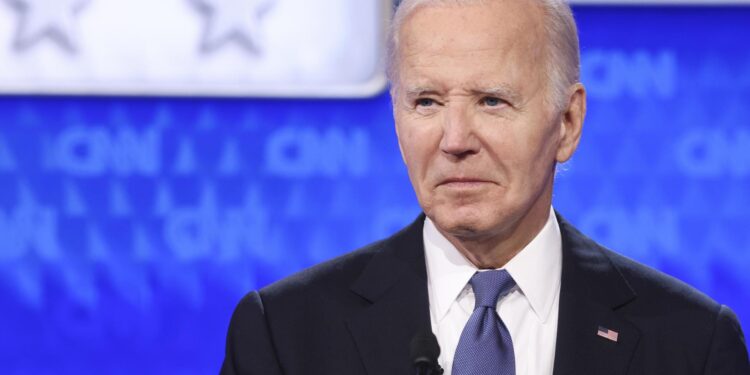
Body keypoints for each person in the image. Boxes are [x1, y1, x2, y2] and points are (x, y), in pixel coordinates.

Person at [220, 0, 750, 374]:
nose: (453, 140)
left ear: (567, 123)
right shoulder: (283, 337)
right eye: (426, 102)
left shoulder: (691, 344)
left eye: (491, 101)